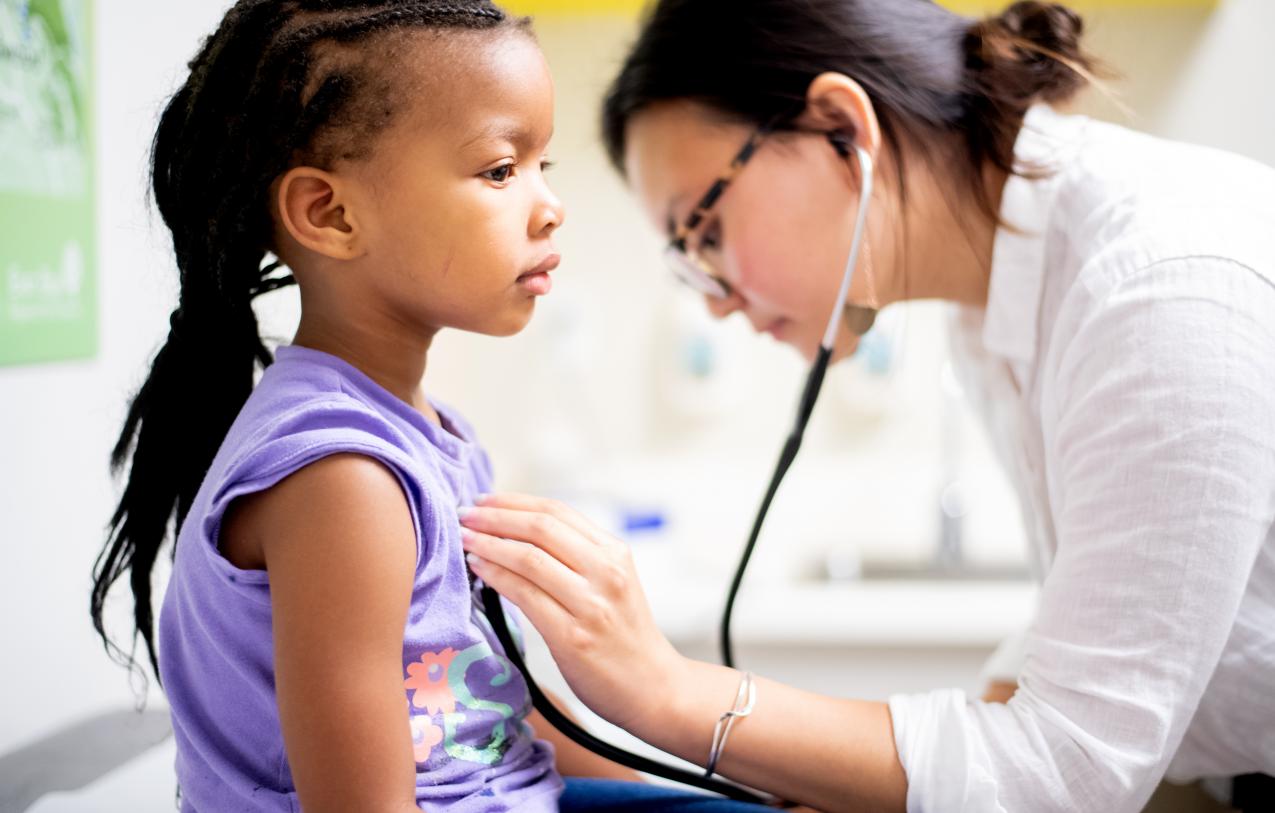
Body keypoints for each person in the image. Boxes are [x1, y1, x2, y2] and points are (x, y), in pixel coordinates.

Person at [457, 1, 1275, 811]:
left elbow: (1067, 774)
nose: (713, 302)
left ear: (841, 129)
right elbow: (1104, 634)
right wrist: (858, 783)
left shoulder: (1162, 284)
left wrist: (666, 691)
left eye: (702, 234)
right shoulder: (995, 304)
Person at [82, 1, 730, 810]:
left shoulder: (432, 435)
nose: (548, 205)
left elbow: (503, 700)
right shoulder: (343, 477)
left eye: (543, 167)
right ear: (331, 213)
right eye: (501, 169)